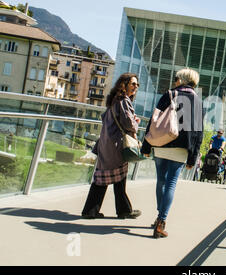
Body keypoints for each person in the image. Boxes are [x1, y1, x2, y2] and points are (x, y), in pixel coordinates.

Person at [141, 68, 203, 239]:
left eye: (176, 78)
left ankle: (159, 216)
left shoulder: (168, 94)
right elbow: (198, 132)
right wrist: (193, 156)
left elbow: (154, 121)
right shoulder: (197, 101)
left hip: (161, 143)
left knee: (161, 180)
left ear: (181, 80)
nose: (174, 81)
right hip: (181, 149)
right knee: (171, 183)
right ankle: (161, 221)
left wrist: (146, 146)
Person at [81, 73, 142, 220]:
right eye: (133, 84)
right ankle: (100, 210)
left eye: (137, 85)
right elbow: (128, 123)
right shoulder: (123, 100)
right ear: (124, 84)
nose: (135, 87)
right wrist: (136, 122)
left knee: (106, 176)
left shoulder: (114, 100)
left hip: (106, 143)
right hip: (116, 145)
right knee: (112, 177)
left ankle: (99, 210)